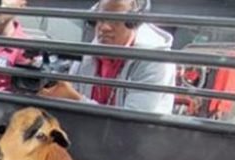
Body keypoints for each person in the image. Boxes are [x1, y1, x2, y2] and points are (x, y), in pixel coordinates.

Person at [39, 0, 176, 113]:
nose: (104, 27)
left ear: (134, 23)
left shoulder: (155, 60)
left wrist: (76, 100)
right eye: (101, 19)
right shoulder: (89, 54)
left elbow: (133, 123)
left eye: (115, 20)